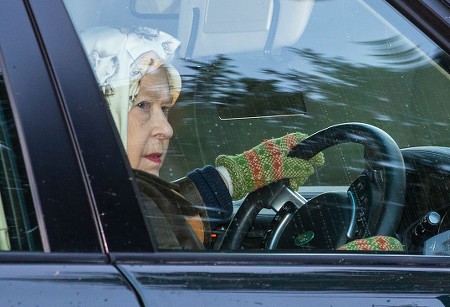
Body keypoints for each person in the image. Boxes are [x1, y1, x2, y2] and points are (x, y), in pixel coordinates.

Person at [81, 26, 403, 252]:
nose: (166, 129)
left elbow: (167, 217)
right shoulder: (118, 210)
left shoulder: (104, 195)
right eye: (142, 106)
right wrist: (338, 282)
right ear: (99, 111)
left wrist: (231, 177)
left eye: (165, 108)